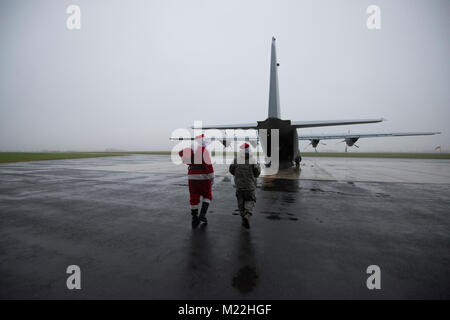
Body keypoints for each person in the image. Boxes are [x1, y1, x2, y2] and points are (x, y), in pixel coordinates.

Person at [179, 134, 214, 228]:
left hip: (191, 177)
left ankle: (194, 219)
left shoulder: (191, 150)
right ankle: (202, 215)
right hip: (203, 177)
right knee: (207, 195)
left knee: (193, 197)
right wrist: (212, 177)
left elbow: (180, 153)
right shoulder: (203, 150)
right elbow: (209, 165)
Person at [229, 143, 261, 229]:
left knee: (240, 202)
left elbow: (231, 169)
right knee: (250, 200)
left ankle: (243, 217)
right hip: (250, 186)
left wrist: (237, 174)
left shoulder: (236, 159)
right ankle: (247, 215)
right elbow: (257, 173)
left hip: (239, 185)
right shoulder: (253, 159)